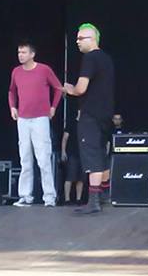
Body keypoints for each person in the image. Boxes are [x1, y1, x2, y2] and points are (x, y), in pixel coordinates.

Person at [63, 22, 115, 215]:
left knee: (92, 155)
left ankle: (93, 201)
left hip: (90, 115)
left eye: (80, 38)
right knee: (101, 153)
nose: (77, 42)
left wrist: (70, 89)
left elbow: (81, 88)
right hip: (105, 114)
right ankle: (104, 195)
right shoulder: (107, 59)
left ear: (92, 39)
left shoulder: (90, 58)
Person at [8, 41, 62, 207]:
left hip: (40, 118)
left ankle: (49, 197)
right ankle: (25, 196)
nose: (20, 55)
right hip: (23, 119)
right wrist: (13, 107)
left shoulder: (44, 69)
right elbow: (12, 91)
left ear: (32, 54)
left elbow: (58, 88)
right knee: (25, 158)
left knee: (43, 158)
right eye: (19, 52)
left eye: (24, 52)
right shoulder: (16, 71)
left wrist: (53, 107)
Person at [61, 108, 85, 205]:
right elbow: (65, 138)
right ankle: (67, 199)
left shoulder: (86, 125)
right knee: (70, 177)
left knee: (81, 178)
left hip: (83, 154)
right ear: (78, 112)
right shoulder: (71, 123)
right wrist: (63, 151)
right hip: (72, 153)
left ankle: (78, 199)